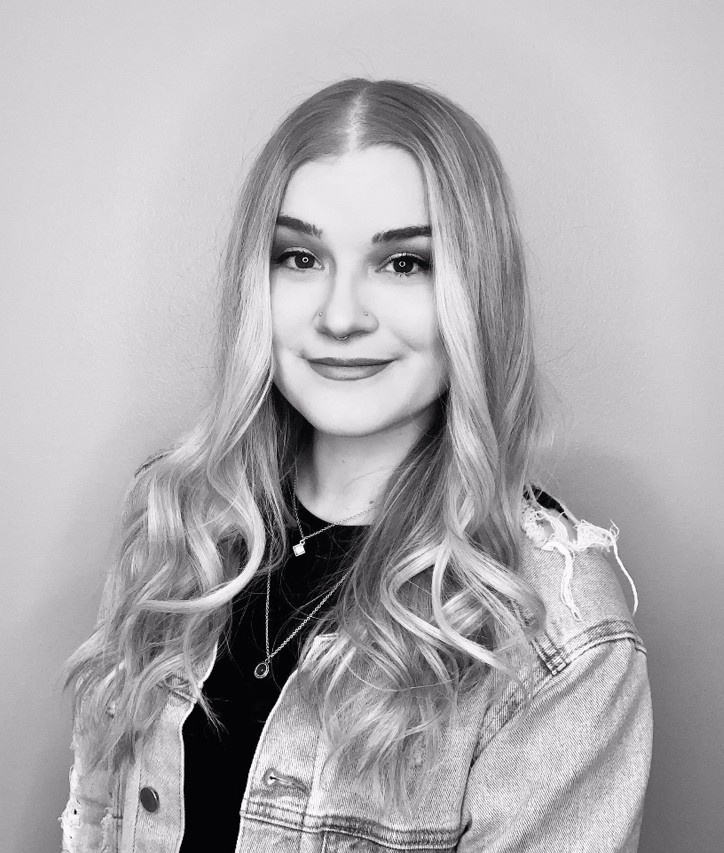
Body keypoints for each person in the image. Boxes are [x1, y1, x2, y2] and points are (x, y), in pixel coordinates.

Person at [59, 78, 653, 852]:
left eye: (403, 262)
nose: (340, 316)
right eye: (300, 257)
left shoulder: (557, 627)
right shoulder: (179, 519)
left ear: (476, 291)